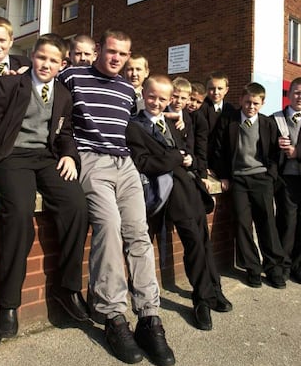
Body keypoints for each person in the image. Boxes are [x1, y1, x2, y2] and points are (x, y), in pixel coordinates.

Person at [0, 34, 89, 338]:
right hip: (12, 156)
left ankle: (69, 288)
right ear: (31, 57)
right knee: (20, 214)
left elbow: (66, 133)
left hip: (46, 159)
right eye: (41, 57)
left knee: (77, 206)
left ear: (63, 65)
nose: (45, 64)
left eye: (52, 60)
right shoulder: (10, 84)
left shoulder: (63, 94)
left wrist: (71, 157)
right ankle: (8, 305)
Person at [59, 30, 175, 366]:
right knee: (108, 228)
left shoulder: (128, 90)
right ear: (98, 50)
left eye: (123, 55)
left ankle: (150, 318)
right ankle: (113, 316)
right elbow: (44, 83)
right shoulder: (73, 76)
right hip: (91, 160)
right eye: (111, 52)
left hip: (125, 165)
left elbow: (146, 124)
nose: (116, 59)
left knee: (139, 232)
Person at [126, 74, 232, 332]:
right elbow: (143, 163)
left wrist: (189, 161)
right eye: (151, 96)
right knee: (193, 242)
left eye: (163, 98)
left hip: (190, 189)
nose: (156, 102)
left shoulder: (172, 123)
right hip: (170, 194)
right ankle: (201, 298)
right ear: (144, 95)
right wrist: (176, 157)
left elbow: (189, 153)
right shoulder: (135, 126)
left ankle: (211, 290)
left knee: (203, 240)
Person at [210, 82, 286, 289]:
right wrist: (224, 176)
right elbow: (218, 151)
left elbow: (274, 153)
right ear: (241, 100)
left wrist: (270, 175)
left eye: (255, 103)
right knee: (243, 224)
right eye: (247, 102)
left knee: (267, 224)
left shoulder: (267, 124)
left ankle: (273, 268)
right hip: (239, 180)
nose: (250, 107)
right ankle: (252, 268)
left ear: (262, 103)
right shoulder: (229, 121)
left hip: (261, 178)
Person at [272, 77, 301, 283]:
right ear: (289, 94)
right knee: (286, 222)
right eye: (297, 92)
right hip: (285, 179)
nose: (300, 97)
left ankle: (298, 266)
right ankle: (282, 265)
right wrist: (277, 145)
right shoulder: (275, 118)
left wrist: (297, 151)